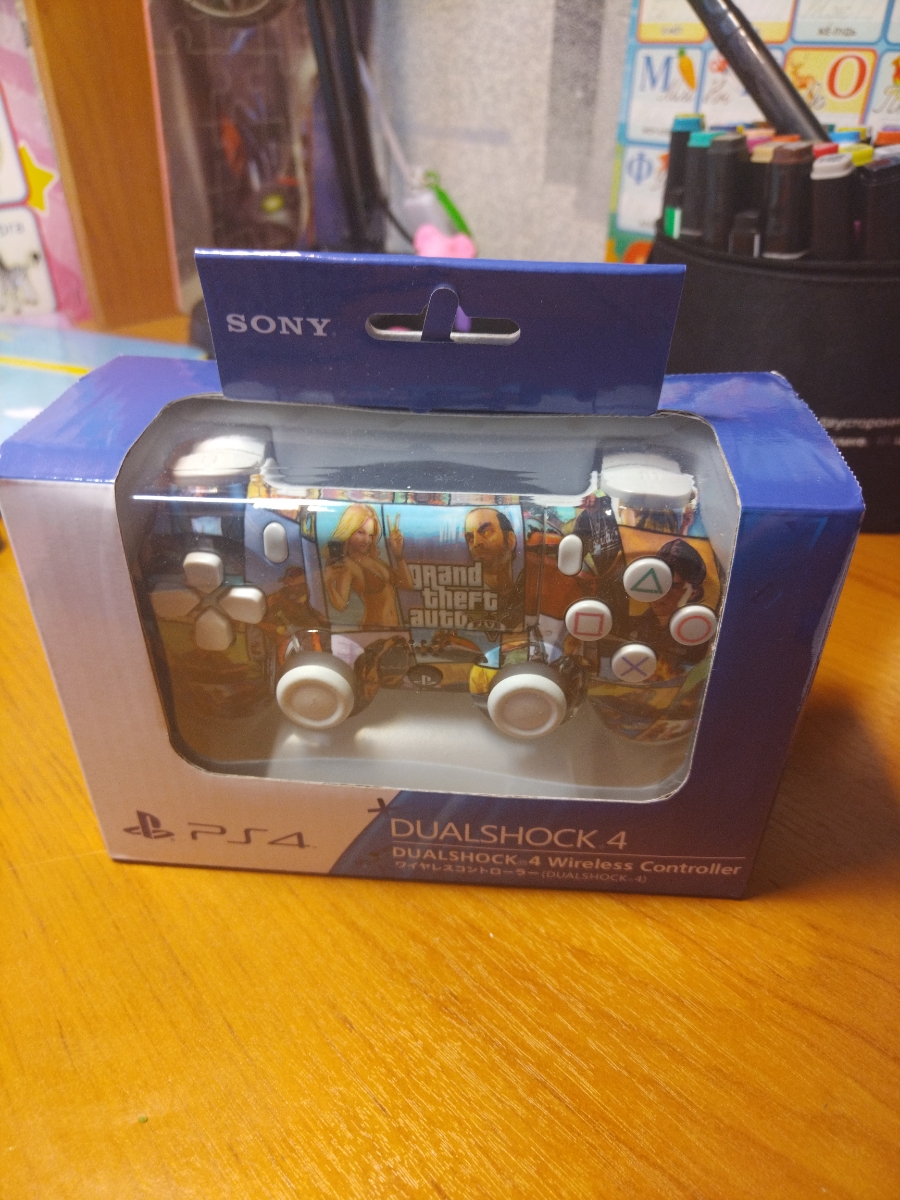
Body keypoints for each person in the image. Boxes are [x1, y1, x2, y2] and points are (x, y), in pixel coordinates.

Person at [324, 504, 412, 629]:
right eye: (361, 533)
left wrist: (398, 554)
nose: (367, 540)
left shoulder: (373, 559)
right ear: (349, 530)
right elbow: (341, 605)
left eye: (371, 535)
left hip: (393, 629)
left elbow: (407, 584)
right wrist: (328, 583)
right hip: (373, 630)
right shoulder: (348, 565)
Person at [464, 507, 523, 630]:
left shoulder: (525, 590)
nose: (476, 543)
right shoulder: (466, 601)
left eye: (486, 532)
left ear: (511, 539)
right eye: (470, 538)